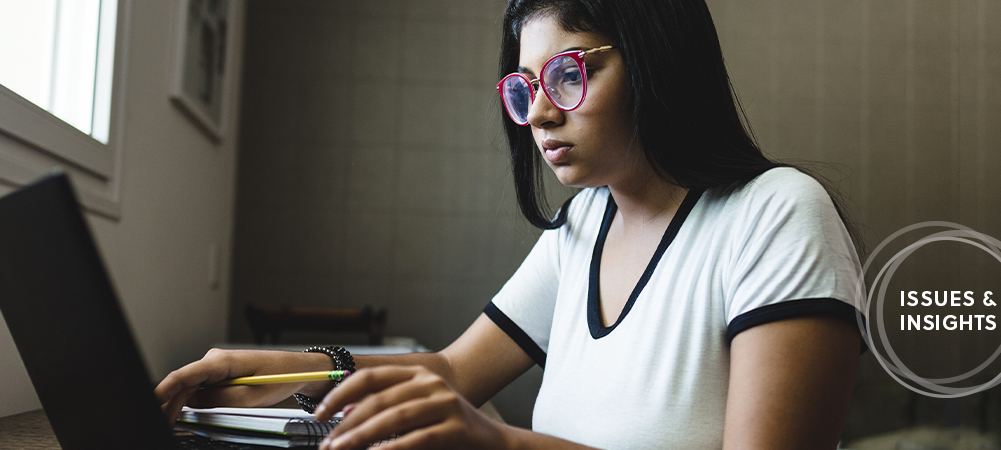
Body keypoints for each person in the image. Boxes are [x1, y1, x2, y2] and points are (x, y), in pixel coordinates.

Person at [155, 0, 868, 449]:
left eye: (567, 73)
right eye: (524, 88)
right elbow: (448, 371)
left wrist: (497, 445)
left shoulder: (777, 214)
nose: (538, 116)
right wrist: (253, 369)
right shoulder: (583, 227)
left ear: (657, 60)